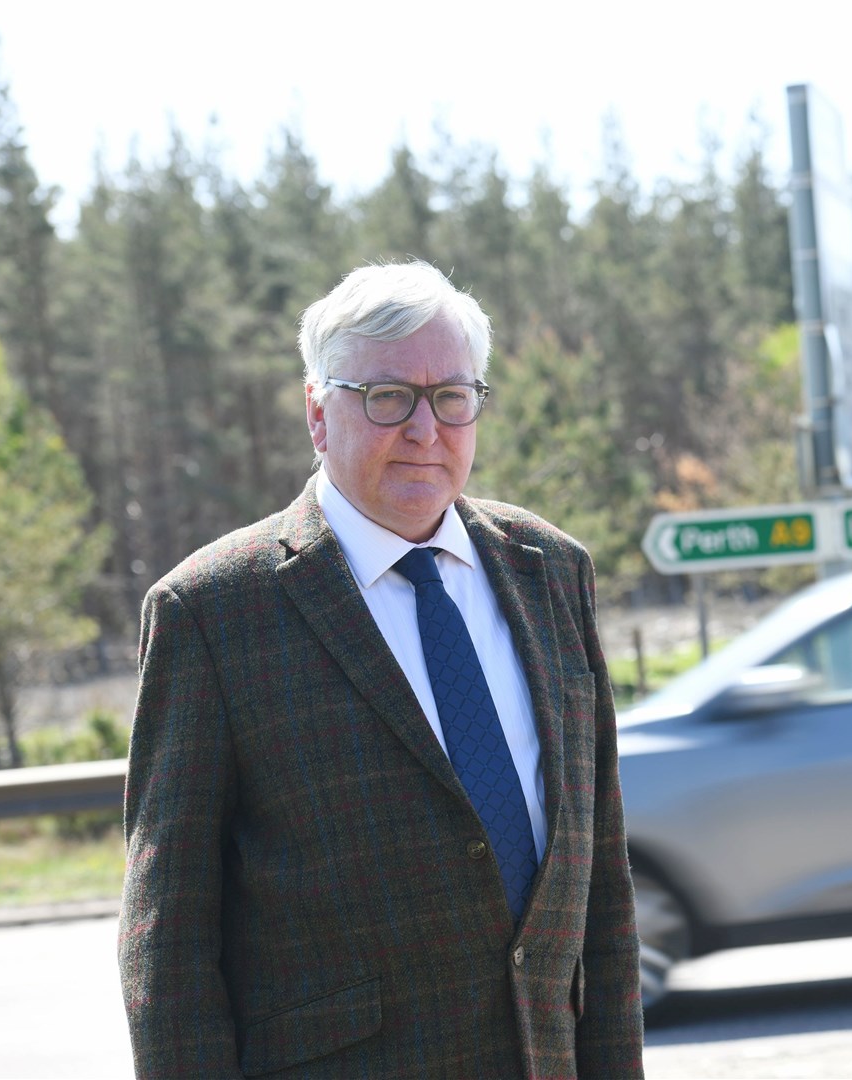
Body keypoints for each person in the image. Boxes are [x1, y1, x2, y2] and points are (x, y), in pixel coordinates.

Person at [117, 261, 644, 1078]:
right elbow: (169, 942)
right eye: (388, 396)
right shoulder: (213, 613)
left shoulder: (552, 572)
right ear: (318, 414)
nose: (425, 430)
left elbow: (600, 889)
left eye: (451, 396)